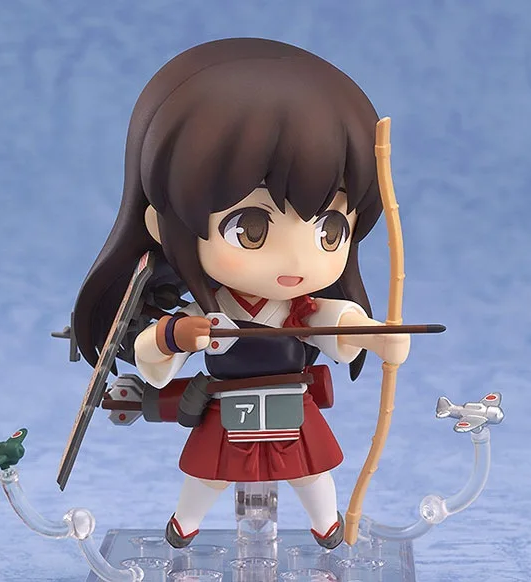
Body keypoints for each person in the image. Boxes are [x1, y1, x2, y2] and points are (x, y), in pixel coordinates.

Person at [72, 38, 410, 550]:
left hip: (290, 401)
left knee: (310, 471)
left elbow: (337, 324)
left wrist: (377, 337)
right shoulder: (213, 311)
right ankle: (185, 523)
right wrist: (175, 336)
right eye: (251, 229)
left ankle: (327, 523)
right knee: (208, 474)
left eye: (329, 230)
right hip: (226, 405)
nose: (296, 261)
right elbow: (152, 355)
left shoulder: (302, 308)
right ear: (164, 224)